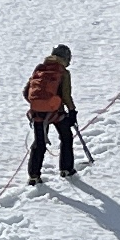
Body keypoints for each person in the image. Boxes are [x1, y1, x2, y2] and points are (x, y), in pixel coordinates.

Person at [24, 44, 80, 184]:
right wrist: (72, 111)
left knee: (39, 143)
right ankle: (66, 169)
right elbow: (66, 96)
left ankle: (34, 176)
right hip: (56, 112)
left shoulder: (40, 69)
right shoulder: (63, 72)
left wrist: (38, 103)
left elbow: (26, 92)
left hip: (37, 113)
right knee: (66, 137)